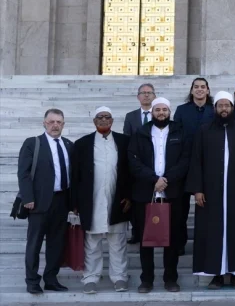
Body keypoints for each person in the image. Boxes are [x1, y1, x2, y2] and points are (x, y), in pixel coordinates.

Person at [186, 91, 235, 290]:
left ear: (232, 108)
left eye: (227, 106)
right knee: (212, 233)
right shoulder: (204, 130)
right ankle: (216, 275)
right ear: (215, 108)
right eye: (220, 106)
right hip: (211, 192)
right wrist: (197, 189)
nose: (224, 109)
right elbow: (196, 161)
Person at [128, 97, 190, 293]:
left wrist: (166, 179)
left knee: (172, 239)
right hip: (146, 192)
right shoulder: (141, 133)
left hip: (173, 193)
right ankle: (146, 279)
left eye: (164, 109)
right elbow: (133, 160)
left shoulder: (180, 132)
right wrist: (154, 179)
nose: (161, 113)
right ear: (151, 112)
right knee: (146, 239)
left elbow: (185, 159)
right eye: (157, 110)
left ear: (169, 111)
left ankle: (170, 279)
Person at [71, 107, 132, 294]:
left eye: (107, 117)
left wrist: (129, 196)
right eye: (100, 117)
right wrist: (74, 203)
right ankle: (90, 277)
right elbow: (75, 176)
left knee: (118, 241)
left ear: (112, 121)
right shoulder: (82, 144)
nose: (104, 120)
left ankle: (120, 277)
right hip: (91, 199)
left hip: (117, 199)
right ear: (94, 121)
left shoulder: (124, 141)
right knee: (92, 241)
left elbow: (130, 172)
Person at [19, 108, 74, 294]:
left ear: (64, 125)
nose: (55, 125)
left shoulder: (68, 145)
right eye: (51, 122)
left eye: (59, 122)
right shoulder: (32, 143)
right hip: (38, 202)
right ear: (44, 123)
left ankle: (51, 279)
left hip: (62, 201)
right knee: (34, 243)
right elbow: (24, 173)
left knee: (56, 243)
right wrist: (28, 198)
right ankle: (32, 281)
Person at [173, 77, 214, 255]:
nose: (199, 90)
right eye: (196, 87)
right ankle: (179, 243)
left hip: (208, 165)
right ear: (191, 91)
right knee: (180, 209)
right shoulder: (182, 111)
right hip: (184, 164)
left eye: (202, 87)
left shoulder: (214, 110)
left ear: (207, 91)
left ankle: (205, 244)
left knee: (206, 207)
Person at [123, 83, 156, 244]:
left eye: (149, 93)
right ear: (138, 97)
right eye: (143, 93)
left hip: (155, 163)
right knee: (137, 202)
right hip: (137, 164)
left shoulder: (159, 113)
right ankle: (137, 232)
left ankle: (155, 230)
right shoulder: (131, 116)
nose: (146, 95)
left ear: (154, 96)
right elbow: (127, 139)